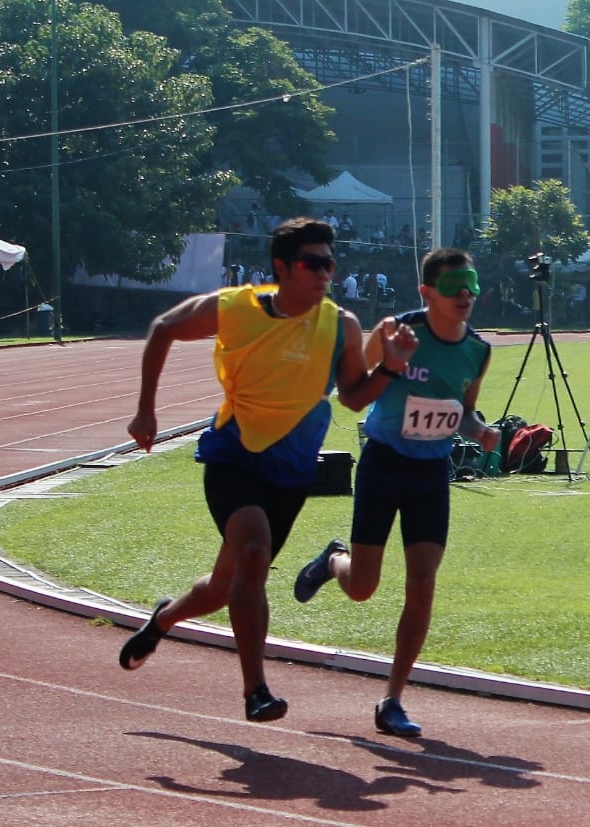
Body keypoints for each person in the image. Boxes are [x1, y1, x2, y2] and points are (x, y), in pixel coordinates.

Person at [118, 217, 418, 723]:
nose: (325, 272)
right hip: (234, 455)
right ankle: (255, 689)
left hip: (291, 472)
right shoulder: (236, 308)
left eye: (330, 263)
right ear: (282, 267)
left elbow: (352, 398)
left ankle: (163, 619)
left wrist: (389, 366)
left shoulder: (340, 324)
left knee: (225, 584)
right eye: (312, 263)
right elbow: (163, 327)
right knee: (254, 554)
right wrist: (146, 409)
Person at [291, 247, 498, 737]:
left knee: (422, 584)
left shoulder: (479, 350)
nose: (466, 295)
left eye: (471, 285)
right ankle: (333, 561)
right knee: (363, 587)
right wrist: (387, 366)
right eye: (454, 287)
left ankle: (393, 699)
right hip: (384, 464)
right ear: (427, 293)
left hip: (431, 472)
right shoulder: (395, 330)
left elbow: (464, 410)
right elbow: (353, 386)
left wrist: (480, 430)